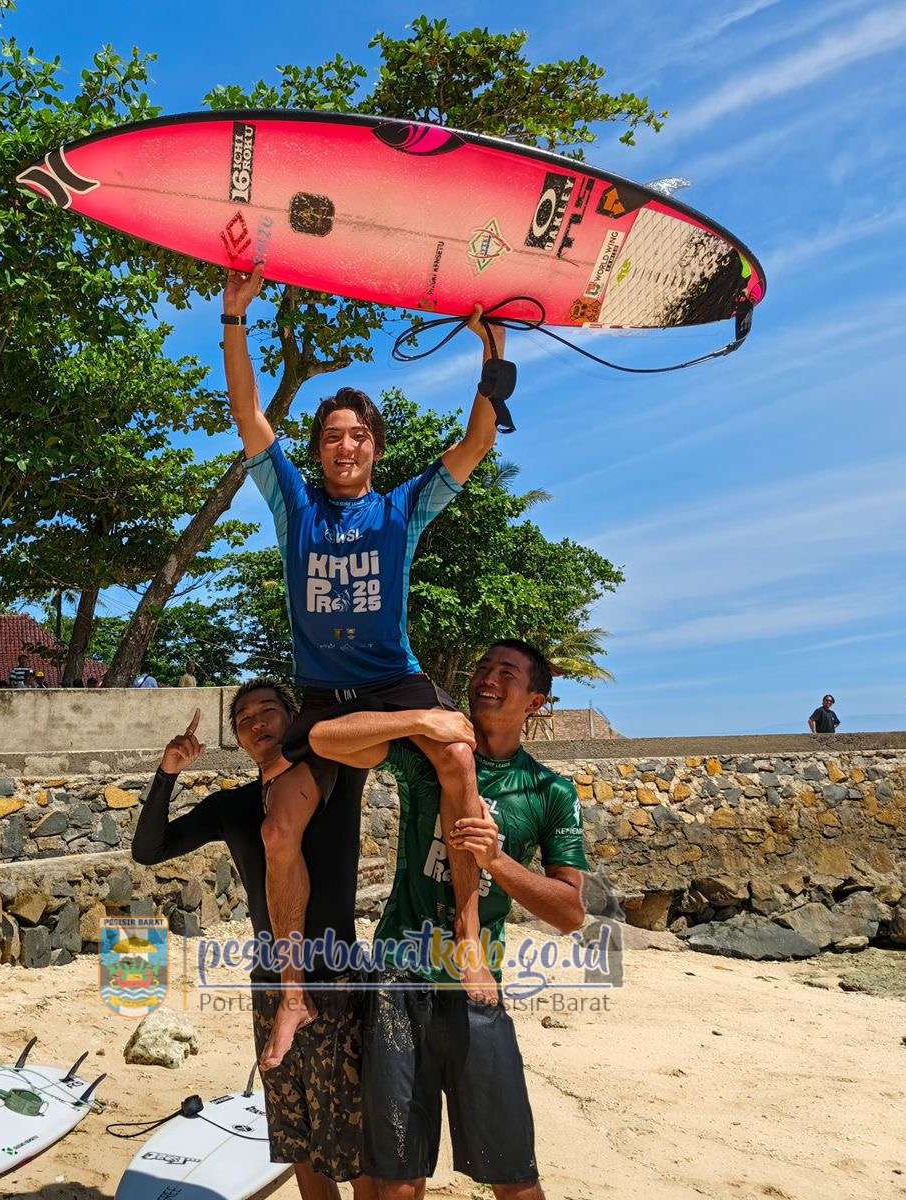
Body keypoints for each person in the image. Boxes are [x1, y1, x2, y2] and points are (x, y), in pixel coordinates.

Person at [223, 261, 505, 1066]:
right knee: (280, 828)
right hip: (323, 696)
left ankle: (467, 934)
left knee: (458, 754)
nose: (344, 445)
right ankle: (294, 998)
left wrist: (494, 352)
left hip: (389, 676)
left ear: (374, 449)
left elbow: (477, 439)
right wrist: (235, 320)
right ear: (317, 452)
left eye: (358, 435)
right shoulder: (295, 505)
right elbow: (247, 412)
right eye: (331, 437)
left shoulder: (402, 507)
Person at [309, 640, 588, 1200]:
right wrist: (417, 716)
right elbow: (323, 738)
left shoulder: (549, 791)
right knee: (397, 1181)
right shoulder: (425, 756)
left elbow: (570, 912)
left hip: (477, 987)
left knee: (515, 1178)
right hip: (397, 980)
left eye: (506, 672)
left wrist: (498, 860)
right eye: (484, 666)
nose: (488, 677)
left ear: (534, 702)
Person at [132, 685, 378, 1200]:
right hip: (270, 981)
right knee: (296, 1140)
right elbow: (149, 850)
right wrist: (168, 772)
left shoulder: (334, 774)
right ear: (238, 738)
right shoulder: (233, 806)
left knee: (351, 1142)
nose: (256, 722)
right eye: (243, 718)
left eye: (268, 711)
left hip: (336, 977)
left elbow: (361, 720)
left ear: (292, 718)